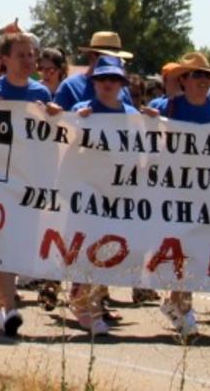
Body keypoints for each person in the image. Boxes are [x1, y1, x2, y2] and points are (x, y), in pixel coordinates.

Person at [0, 31, 62, 338]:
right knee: (3, 244)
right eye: (21, 55)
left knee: (18, 245)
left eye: (31, 55)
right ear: (4, 59)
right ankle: (8, 309)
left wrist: (53, 116)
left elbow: (51, 139)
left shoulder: (41, 93)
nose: (28, 61)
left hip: (29, 181)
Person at [151, 52, 210, 339]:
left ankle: (176, 303)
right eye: (196, 76)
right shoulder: (166, 107)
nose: (203, 81)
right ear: (183, 80)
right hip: (173, 192)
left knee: (197, 251)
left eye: (206, 77)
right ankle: (184, 311)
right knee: (181, 251)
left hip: (209, 193)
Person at [64, 55, 137, 337]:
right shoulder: (82, 111)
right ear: (94, 82)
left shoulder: (132, 115)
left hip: (117, 192)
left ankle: (87, 301)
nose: (108, 84)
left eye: (114, 79)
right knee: (86, 247)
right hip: (86, 190)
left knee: (106, 249)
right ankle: (86, 306)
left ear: (121, 83)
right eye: (102, 79)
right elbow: (64, 146)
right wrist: (72, 123)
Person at [51, 31, 134, 111]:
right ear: (92, 56)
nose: (112, 64)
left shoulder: (123, 90)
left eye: (116, 59)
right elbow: (55, 121)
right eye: (108, 57)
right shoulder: (69, 87)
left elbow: (131, 120)